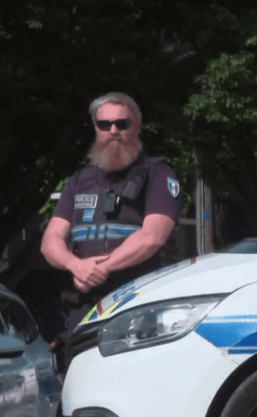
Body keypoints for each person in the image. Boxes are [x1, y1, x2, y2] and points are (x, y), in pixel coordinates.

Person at [40, 92, 183, 366]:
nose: (113, 131)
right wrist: (75, 265)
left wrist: (100, 269)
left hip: (137, 313)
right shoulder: (79, 180)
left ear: (136, 127)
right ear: (95, 128)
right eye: (104, 125)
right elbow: (50, 241)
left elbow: (153, 237)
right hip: (83, 315)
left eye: (122, 123)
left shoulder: (158, 174)